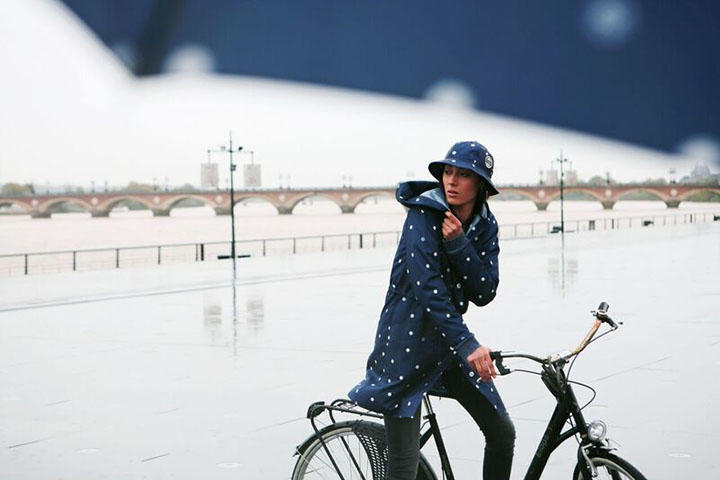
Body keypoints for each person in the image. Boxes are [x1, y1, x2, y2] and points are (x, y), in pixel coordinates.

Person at [348, 141, 515, 480]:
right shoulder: (422, 215)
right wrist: (468, 344)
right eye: (448, 172)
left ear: (480, 184)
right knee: (403, 466)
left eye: (463, 175)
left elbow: (484, 291)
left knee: (502, 433)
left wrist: (458, 244)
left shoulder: (486, 224)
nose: (451, 181)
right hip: (405, 346)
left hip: (447, 345)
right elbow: (428, 288)